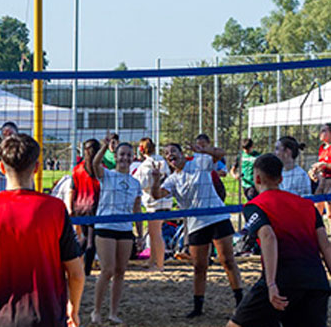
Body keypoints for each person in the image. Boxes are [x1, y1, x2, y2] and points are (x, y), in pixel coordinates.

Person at [0, 134, 85, 327]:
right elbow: (76, 274)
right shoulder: (55, 209)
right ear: (36, 168)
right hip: (47, 318)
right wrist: (73, 309)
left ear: (1, 168)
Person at [228, 154, 331, 327]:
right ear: (281, 178)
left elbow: (268, 236)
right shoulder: (306, 205)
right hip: (315, 281)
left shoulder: (256, 205)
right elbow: (326, 246)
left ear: (257, 178)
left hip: (283, 279)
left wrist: (271, 283)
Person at [151, 142, 243, 318]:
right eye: (167, 153)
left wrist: (204, 150)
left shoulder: (199, 161)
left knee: (227, 261)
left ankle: (240, 302)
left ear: (182, 153)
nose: (170, 154)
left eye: (173, 151)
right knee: (199, 266)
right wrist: (155, 180)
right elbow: (157, 195)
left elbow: (222, 152)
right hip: (195, 223)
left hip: (217, 216)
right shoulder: (172, 179)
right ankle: (198, 308)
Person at [90, 135, 143, 325]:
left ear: (133, 157)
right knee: (107, 270)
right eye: (122, 154)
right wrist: (105, 146)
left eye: (129, 155)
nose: (125, 158)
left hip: (125, 229)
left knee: (121, 271)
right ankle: (96, 311)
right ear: (116, 156)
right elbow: (95, 163)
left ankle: (113, 312)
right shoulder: (107, 174)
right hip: (105, 226)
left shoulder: (135, 183)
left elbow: (137, 210)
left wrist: (140, 234)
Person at [132, 137, 171, 271]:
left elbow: (140, 184)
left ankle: (159, 265)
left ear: (141, 150)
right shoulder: (162, 160)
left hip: (154, 203)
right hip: (165, 201)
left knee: (156, 234)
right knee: (154, 233)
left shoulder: (146, 165)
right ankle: (152, 260)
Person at [68, 138, 102, 276]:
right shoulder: (100, 169)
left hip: (80, 207)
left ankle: (69, 259)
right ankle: (86, 271)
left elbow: (72, 190)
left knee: (84, 239)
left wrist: (71, 208)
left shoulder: (77, 169)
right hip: (94, 207)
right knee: (90, 241)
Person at [195, 134, 227, 201]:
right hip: (200, 188)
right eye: (198, 146)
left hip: (215, 186)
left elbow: (224, 173)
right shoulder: (195, 156)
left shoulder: (216, 156)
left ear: (209, 144)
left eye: (203, 146)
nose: (201, 148)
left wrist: (210, 173)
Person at [309, 123, 331, 216]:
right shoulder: (322, 148)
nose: (320, 133)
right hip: (322, 180)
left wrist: (324, 164)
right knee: (317, 210)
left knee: (329, 213)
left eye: (324, 130)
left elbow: (325, 164)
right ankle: (319, 229)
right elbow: (321, 166)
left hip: (330, 182)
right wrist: (313, 171)